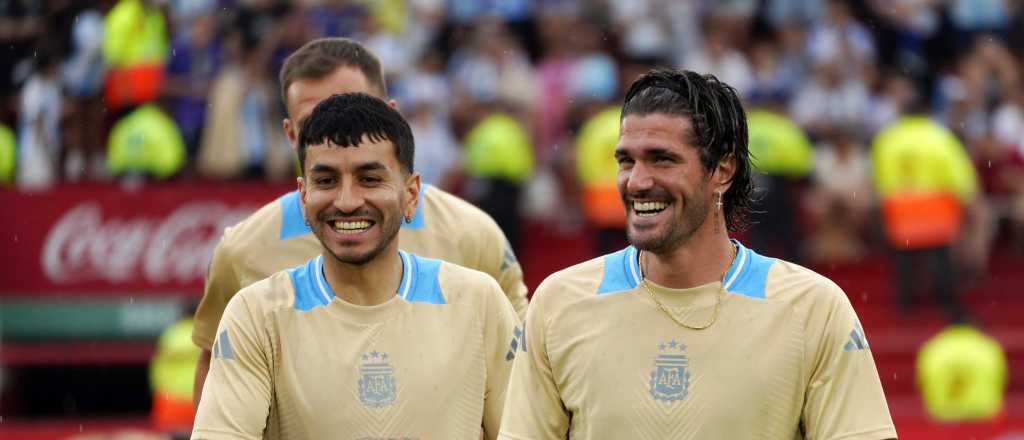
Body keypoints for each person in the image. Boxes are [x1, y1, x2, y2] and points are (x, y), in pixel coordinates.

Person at [499, 69, 896, 439]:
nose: (637, 182)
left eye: (662, 159)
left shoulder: (813, 308)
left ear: (722, 171)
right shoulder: (558, 302)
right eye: (626, 161)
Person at [192, 37, 529, 409]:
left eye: (358, 114)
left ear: (391, 115)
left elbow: (522, 372)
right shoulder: (243, 250)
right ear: (291, 135)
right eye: (312, 123)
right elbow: (214, 368)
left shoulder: (472, 235)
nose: (336, 133)